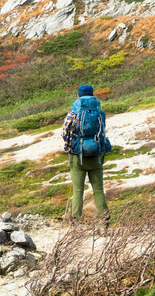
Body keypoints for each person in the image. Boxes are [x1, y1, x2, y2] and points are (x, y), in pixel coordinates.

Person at [62, 84, 110, 224]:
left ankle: (76, 221)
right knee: (98, 190)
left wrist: (69, 148)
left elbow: (64, 133)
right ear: (93, 95)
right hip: (96, 155)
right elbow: (102, 132)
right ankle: (104, 219)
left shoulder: (73, 112)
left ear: (78, 96)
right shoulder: (99, 112)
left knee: (78, 190)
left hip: (77, 156)